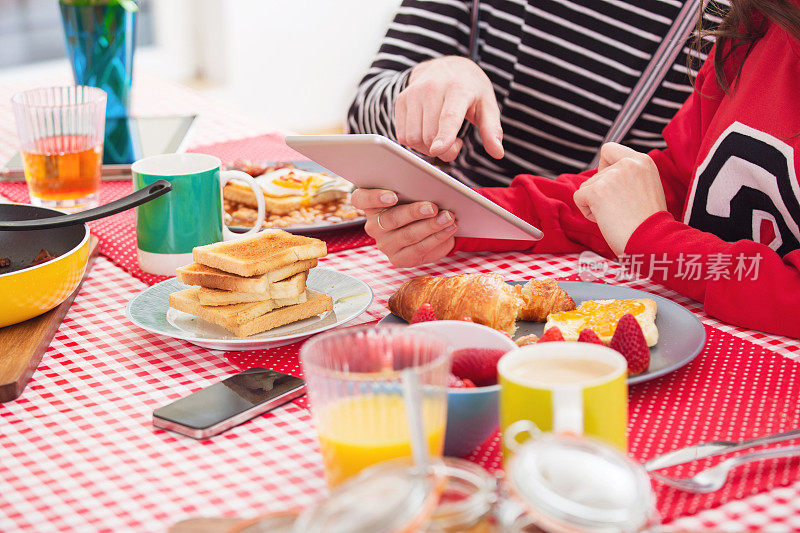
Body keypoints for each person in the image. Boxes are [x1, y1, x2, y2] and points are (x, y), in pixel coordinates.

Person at [351, 0, 800, 339]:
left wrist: (653, 238)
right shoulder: (753, 26)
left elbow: (650, 220)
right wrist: (456, 214)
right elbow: (668, 186)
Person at [347, 0, 728, 186]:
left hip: (605, 255)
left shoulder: (733, 13)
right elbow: (362, 118)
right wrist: (431, 84)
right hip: (451, 230)